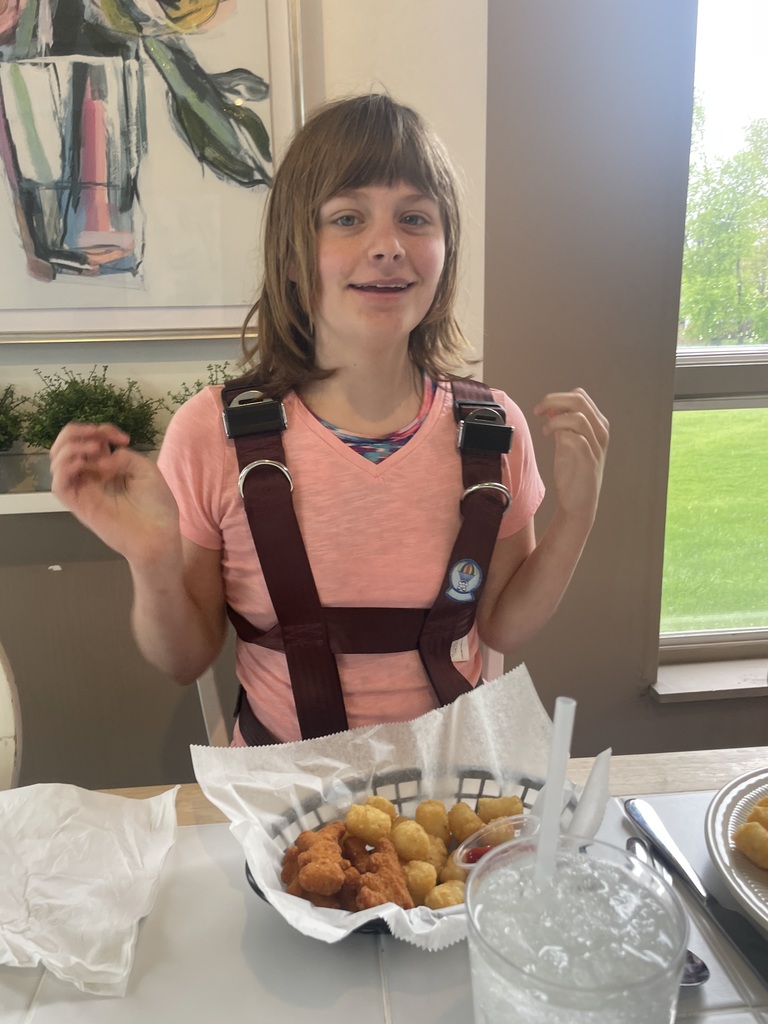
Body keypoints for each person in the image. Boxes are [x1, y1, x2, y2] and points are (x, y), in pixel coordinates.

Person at [50, 94, 609, 745]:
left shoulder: (491, 430)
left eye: (415, 219)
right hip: (284, 798)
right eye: (347, 218)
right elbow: (183, 661)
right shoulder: (211, 435)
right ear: (292, 255)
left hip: (452, 798)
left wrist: (576, 516)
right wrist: (152, 560)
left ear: (446, 251)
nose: (387, 246)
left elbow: (505, 627)